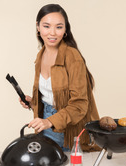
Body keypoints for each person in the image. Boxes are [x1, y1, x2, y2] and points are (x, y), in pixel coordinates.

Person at [20, 4, 100, 152]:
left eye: (58, 27)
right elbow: (51, 97)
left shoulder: (72, 57)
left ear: (65, 30)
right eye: (46, 26)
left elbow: (80, 105)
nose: (52, 33)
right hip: (44, 124)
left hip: (67, 129)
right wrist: (33, 103)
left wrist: (50, 121)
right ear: (38, 27)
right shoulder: (40, 55)